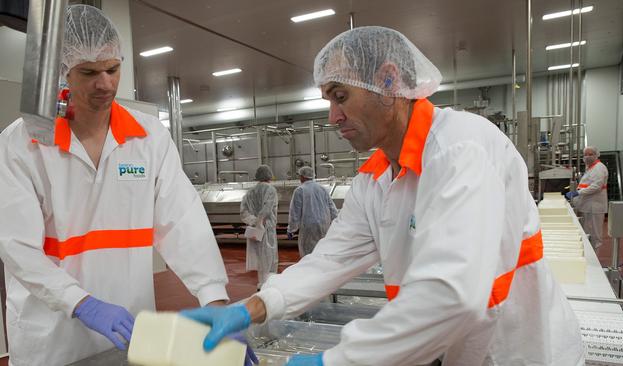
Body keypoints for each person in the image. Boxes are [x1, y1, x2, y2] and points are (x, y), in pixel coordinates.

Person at [181, 26, 585, 365]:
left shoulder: (462, 149)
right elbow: (330, 260)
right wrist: (250, 308)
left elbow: (452, 293)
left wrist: (334, 361)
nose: (332, 117)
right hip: (461, 351)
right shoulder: (372, 180)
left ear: (389, 82)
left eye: (340, 96)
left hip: (519, 350)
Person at [0, 5, 237, 365]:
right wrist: (81, 303)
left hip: (129, 332)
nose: (106, 83)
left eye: (113, 69)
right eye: (89, 72)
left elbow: (183, 221)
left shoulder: (148, 137)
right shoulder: (23, 144)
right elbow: (18, 248)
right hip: (52, 338)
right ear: (62, 73)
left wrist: (214, 297)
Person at [241, 165, 279, 289]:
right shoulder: (271, 190)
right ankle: (268, 285)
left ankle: (262, 283)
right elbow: (267, 208)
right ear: (269, 175)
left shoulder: (250, 192)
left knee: (259, 257)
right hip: (267, 229)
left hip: (255, 230)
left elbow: (243, 212)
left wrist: (254, 222)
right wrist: (260, 222)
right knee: (269, 257)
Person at [287, 166, 338, 256]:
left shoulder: (300, 190)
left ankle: (311, 269)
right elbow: (332, 207)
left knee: (308, 252)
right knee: (322, 250)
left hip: (309, 226)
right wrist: (336, 223)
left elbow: (295, 212)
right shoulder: (323, 189)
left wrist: (291, 229)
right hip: (324, 224)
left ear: (303, 176)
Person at [566, 146, 608, 249]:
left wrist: (578, 193)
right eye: (585, 155)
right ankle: (589, 257)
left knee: (595, 235)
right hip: (587, 206)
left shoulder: (599, 168)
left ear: (596, 155)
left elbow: (596, 186)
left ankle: (595, 261)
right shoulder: (590, 168)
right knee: (588, 233)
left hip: (595, 206)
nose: (587, 157)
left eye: (590, 154)